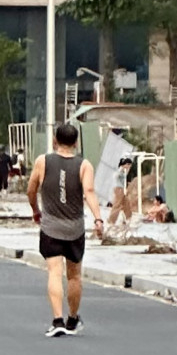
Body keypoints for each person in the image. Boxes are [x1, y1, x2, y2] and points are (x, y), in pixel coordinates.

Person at [28, 123, 102, 337]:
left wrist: (35, 210)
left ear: (54, 140)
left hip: (50, 226)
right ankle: (72, 319)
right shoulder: (84, 165)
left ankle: (57, 319)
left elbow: (31, 189)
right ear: (76, 143)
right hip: (75, 229)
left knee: (54, 272)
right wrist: (98, 219)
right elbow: (89, 191)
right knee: (74, 276)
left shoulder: (43, 162)